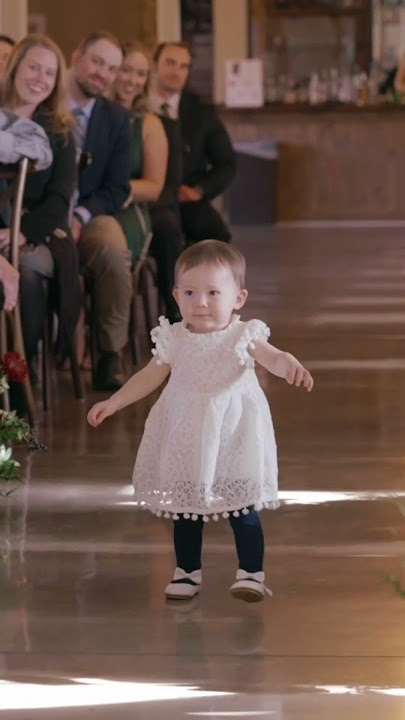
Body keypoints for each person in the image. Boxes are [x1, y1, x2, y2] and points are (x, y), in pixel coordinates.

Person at [87, 240, 314, 602]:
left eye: (212, 293)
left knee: (244, 508)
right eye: (190, 292)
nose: (201, 302)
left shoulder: (244, 334)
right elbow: (149, 376)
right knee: (186, 510)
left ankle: (251, 573)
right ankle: (187, 571)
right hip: (188, 434)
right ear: (176, 295)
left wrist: (290, 367)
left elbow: (273, 357)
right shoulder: (174, 338)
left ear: (238, 298)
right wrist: (114, 402)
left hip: (235, 435)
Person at [0, 34, 81, 371]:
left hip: (37, 232)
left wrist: (20, 233)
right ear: (14, 67)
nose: (40, 79)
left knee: (28, 276)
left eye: (49, 73)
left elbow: (60, 199)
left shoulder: (59, 132)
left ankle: (18, 382)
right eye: (34, 68)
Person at [67, 30, 132, 391]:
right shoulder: (44, 104)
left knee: (112, 248)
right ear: (77, 56)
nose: (102, 74)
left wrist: (80, 216)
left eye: (111, 68)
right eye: (97, 62)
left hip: (92, 212)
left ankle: (109, 354)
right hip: (43, 211)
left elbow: (117, 189)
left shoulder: (117, 119)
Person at [150, 42, 236, 245]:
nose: (176, 72)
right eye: (170, 63)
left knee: (217, 235)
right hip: (148, 198)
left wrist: (199, 190)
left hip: (185, 199)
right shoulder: (137, 104)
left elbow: (226, 163)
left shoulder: (201, 111)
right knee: (166, 233)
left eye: (183, 66)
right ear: (155, 65)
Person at [112, 41, 167, 262]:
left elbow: (154, 187)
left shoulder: (149, 124)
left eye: (140, 74)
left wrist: (110, 191)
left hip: (127, 208)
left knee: (113, 252)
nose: (132, 81)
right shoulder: (91, 114)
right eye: (126, 70)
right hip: (85, 206)